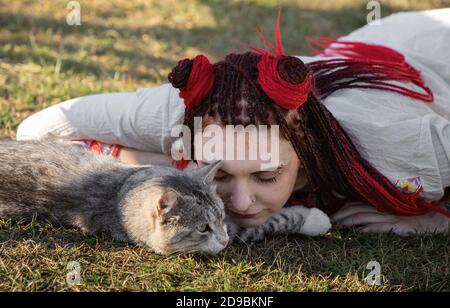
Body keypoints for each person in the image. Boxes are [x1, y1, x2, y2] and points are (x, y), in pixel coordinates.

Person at [16, 7, 450, 235]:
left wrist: (436, 219)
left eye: (266, 175)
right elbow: (37, 131)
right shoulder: (177, 114)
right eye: (219, 172)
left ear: (302, 138)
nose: (240, 203)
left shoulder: (398, 145)